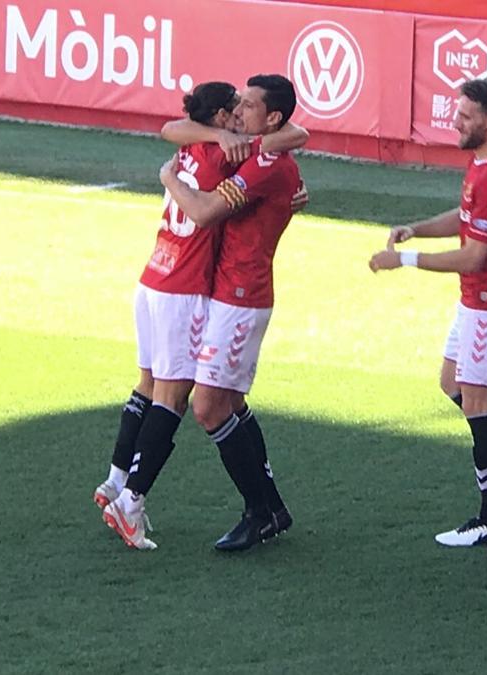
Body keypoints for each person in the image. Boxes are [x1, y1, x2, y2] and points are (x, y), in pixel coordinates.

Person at [96, 81, 307, 550]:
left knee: (200, 402)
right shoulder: (230, 150)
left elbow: (210, 202)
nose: (240, 115)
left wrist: (169, 178)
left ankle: (134, 493)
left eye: (248, 107)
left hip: (232, 295)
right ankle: (267, 508)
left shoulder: (239, 154)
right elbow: (291, 135)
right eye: (235, 108)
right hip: (205, 291)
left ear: (271, 118)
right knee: (220, 402)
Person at [368, 78, 487, 548]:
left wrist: (405, 261)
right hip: (475, 299)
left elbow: (475, 254)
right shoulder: (483, 164)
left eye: (464, 116)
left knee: (479, 402)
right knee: (452, 385)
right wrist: (415, 229)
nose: (454, 121)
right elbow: (465, 219)